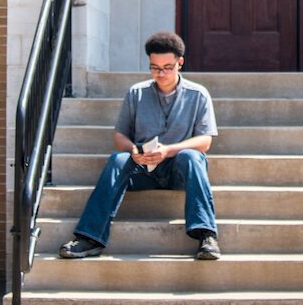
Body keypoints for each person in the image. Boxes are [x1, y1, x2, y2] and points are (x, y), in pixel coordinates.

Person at [59, 30, 220, 260]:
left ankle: (207, 236)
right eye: (155, 67)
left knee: (192, 157)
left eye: (167, 67)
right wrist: (133, 150)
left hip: (179, 171)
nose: (161, 73)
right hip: (143, 169)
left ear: (180, 63)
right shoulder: (136, 93)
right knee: (118, 159)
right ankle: (90, 237)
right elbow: (119, 137)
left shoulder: (198, 95)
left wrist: (168, 150)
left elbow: (205, 141)